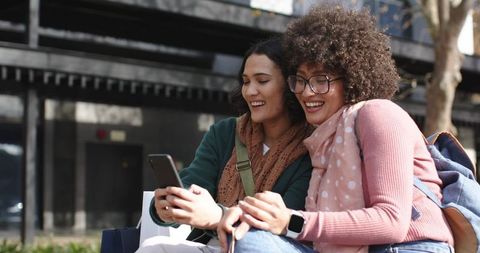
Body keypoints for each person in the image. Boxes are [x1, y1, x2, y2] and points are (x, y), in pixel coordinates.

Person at [217, 5, 454, 253]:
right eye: (301, 79)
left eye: (322, 80)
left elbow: (392, 221)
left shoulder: (379, 114)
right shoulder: (324, 136)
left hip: (408, 247)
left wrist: (290, 220)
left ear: (353, 78)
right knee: (249, 240)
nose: (307, 92)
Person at [136, 37, 313, 252]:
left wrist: (217, 216)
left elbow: (281, 222)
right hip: (214, 243)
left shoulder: (311, 146)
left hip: (268, 246)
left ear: (290, 85)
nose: (250, 91)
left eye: (262, 81)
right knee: (153, 248)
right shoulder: (226, 132)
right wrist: (167, 207)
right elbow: (193, 183)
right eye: (246, 81)